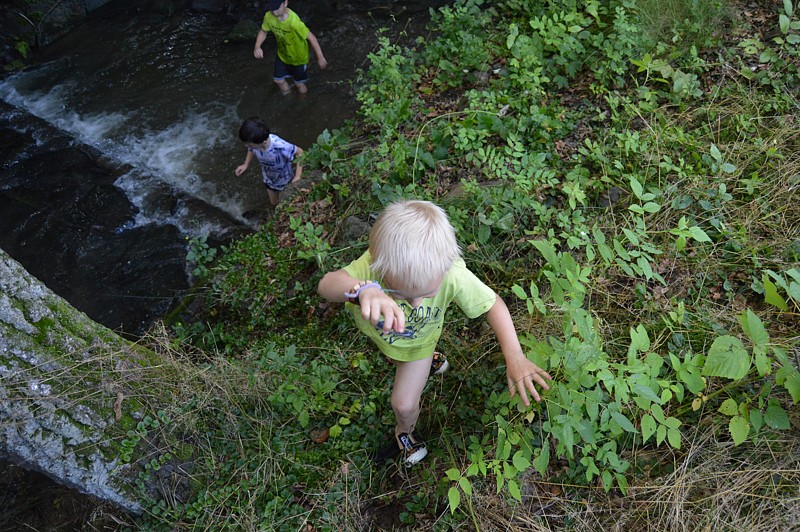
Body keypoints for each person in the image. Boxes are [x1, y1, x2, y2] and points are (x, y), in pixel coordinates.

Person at [317, 200, 552, 466]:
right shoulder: (371, 268)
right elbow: (327, 284)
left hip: (420, 345)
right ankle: (428, 364)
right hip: (389, 341)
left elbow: (493, 305)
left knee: (403, 404)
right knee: (396, 357)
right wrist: (362, 290)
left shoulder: (451, 273)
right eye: (402, 295)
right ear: (377, 261)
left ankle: (403, 431)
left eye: (426, 295)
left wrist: (515, 356)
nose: (415, 305)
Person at [253, 0, 328, 95]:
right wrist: (257, 46)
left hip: (299, 59)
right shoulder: (268, 16)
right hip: (283, 55)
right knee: (278, 80)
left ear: (285, 3)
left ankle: (303, 100)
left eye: (277, 8)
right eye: (271, 9)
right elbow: (263, 31)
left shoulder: (294, 22)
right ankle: (287, 95)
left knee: (299, 83)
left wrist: (320, 57)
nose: (274, 12)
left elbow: (312, 38)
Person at [234, 116, 303, 206]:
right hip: (269, 179)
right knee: (274, 202)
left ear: (264, 142)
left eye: (249, 144)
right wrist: (245, 164)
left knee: (283, 203)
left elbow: (300, 153)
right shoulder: (255, 144)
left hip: (284, 180)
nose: (247, 146)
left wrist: (298, 176)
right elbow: (251, 150)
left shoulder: (279, 145)